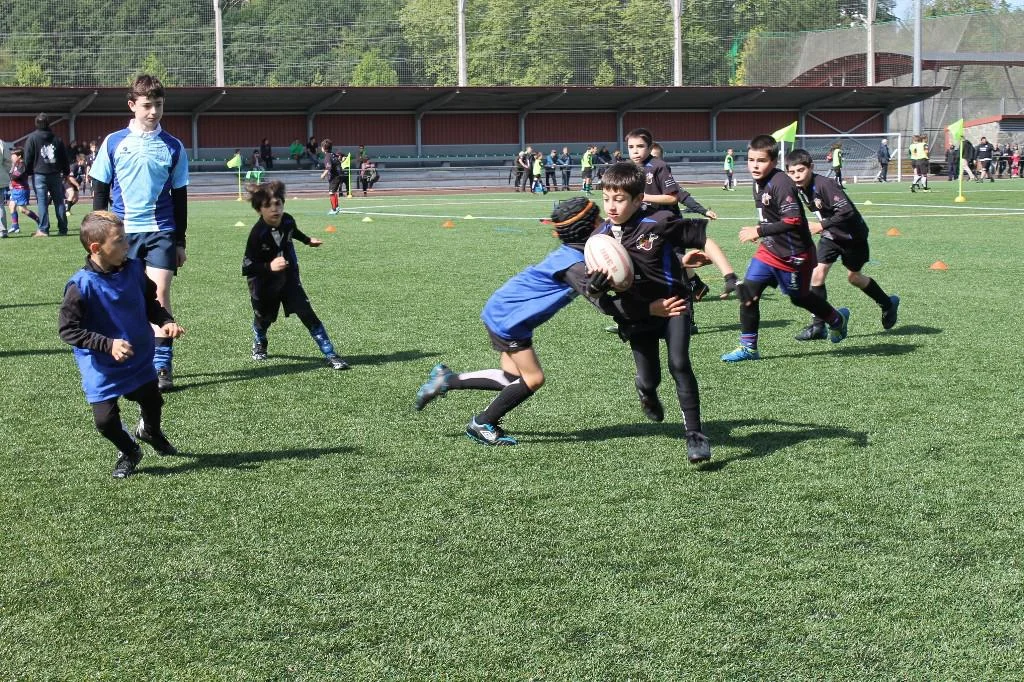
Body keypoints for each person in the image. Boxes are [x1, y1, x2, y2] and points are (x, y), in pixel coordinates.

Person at [413, 196, 685, 446]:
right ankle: (482, 423)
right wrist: (650, 308)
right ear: (591, 227)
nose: (605, 222)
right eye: (599, 219)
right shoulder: (575, 265)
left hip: (505, 310)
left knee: (512, 378)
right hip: (510, 318)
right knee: (533, 379)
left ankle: (446, 380)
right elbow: (605, 306)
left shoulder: (578, 254)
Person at [595, 162, 735, 463]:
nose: (611, 206)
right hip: (639, 313)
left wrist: (729, 275)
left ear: (638, 199)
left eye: (619, 199)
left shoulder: (659, 221)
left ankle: (695, 436)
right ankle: (645, 391)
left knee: (679, 364)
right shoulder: (601, 237)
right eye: (606, 199)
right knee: (650, 379)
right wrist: (596, 283)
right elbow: (595, 287)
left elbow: (704, 240)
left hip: (674, 304)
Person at [58, 211, 185, 479]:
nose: (127, 245)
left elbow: (151, 303)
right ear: (96, 248)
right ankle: (129, 451)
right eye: (119, 241)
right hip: (102, 365)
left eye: (126, 238)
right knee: (105, 421)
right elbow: (68, 330)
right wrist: (107, 344)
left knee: (153, 400)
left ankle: (150, 431)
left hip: (137, 357)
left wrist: (165, 321)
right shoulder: (80, 286)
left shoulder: (135, 270)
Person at [91, 75, 189, 393]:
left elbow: (180, 198)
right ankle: (130, 359)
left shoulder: (173, 146)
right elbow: (100, 191)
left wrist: (180, 241)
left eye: (158, 105)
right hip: (122, 235)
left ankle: (162, 366)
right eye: (147, 105)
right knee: (126, 297)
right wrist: (99, 235)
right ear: (132, 105)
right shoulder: (114, 142)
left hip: (161, 231)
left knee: (159, 295)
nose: (153, 112)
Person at [721, 134, 850, 363]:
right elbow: (770, 215)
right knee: (748, 295)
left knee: (799, 298)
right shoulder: (758, 181)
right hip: (769, 251)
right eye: (751, 160)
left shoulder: (781, 183)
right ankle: (749, 348)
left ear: (773, 161)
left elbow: (793, 220)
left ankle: (836, 319)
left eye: (761, 161)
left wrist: (759, 231)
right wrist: (763, 230)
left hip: (794, 254)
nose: (755, 165)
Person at [785, 149, 899, 340]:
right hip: (830, 236)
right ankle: (818, 327)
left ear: (811, 167)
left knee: (854, 278)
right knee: (817, 275)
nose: (796, 175)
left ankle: (887, 303)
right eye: (792, 172)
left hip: (853, 238)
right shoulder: (798, 187)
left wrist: (821, 225)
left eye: (801, 170)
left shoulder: (825, 185)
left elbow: (847, 211)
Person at [242, 180, 349, 371]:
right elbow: (247, 267)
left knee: (307, 313)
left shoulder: (288, 220)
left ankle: (331, 354)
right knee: (264, 317)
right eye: (268, 205)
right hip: (263, 284)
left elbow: (293, 232)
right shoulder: (257, 234)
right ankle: (259, 340)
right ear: (259, 210)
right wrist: (269, 266)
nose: (275, 209)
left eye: (278, 204)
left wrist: (307, 240)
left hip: (289, 278)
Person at [625, 128, 737, 303]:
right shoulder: (630, 169)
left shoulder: (659, 166)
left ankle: (714, 286)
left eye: (640, 146)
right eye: (631, 147)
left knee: (679, 260)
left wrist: (644, 197)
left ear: (649, 148)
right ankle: (696, 285)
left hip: (668, 222)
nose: (635, 151)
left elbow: (674, 196)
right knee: (665, 260)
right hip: (647, 225)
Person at [23, 113, 71, 237]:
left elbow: (27, 157)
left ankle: (44, 229)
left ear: (36, 124)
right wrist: (66, 172)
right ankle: (63, 229)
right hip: (55, 173)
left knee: (42, 202)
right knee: (59, 202)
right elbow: (64, 158)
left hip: (39, 174)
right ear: (48, 123)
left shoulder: (32, 138)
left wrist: (29, 171)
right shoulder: (57, 139)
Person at [6, 148, 42, 235]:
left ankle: (40, 221)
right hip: (15, 189)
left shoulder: (22, 165)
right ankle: (15, 226)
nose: (11, 157)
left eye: (13, 155)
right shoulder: (16, 164)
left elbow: (14, 177)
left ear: (19, 156)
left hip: (21, 190)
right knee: (11, 206)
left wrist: (10, 172)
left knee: (23, 210)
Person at [319, 139, 344, 214]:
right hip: (339, 175)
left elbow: (328, 167)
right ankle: (337, 207)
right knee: (334, 192)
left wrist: (323, 175)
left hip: (335, 177)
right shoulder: (332, 154)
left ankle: (334, 210)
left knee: (331, 193)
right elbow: (339, 159)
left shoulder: (327, 156)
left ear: (323, 148)